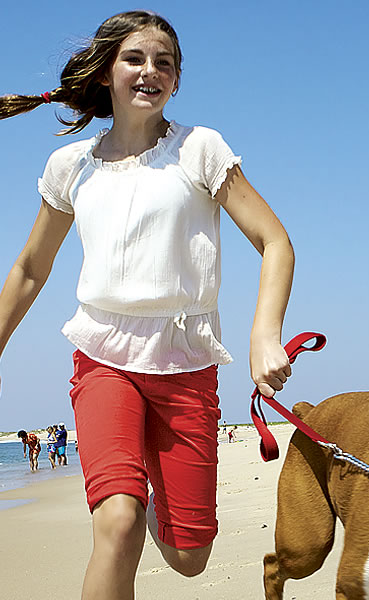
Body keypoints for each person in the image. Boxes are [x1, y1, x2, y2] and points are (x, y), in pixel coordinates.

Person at [0, 10, 294, 599]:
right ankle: (130, 498)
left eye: (164, 62)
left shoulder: (200, 150)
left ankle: (157, 498)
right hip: (103, 360)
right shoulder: (70, 167)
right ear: (105, 72)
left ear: (177, 80)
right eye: (134, 58)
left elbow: (274, 241)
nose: (149, 71)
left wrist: (264, 334)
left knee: (190, 557)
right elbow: (31, 268)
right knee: (119, 522)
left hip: (187, 367)